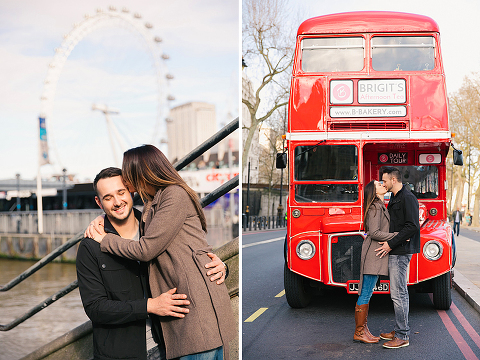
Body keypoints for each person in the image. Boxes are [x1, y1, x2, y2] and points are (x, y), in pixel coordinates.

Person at [87, 145, 236, 360]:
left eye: (127, 176)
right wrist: (102, 218)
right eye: (109, 197)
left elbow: (147, 249)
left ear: (142, 171)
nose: (127, 182)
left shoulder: (174, 195)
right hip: (185, 309)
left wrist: (105, 239)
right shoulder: (154, 201)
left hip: (195, 312)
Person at [376, 167, 420, 349]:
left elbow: (412, 226)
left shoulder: (408, 198)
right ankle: (399, 329)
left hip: (401, 251)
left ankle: (402, 336)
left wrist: (390, 244)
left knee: (399, 294)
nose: (382, 184)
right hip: (397, 250)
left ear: (394, 180)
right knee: (398, 293)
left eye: (384, 181)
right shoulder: (395, 197)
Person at [354, 180, 397, 344]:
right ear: (374, 191)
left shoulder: (380, 205)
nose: (383, 185)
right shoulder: (374, 206)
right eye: (379, 184)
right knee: (366, 292)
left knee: (368, 291)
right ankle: (359, 332)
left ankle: (363, 330)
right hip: (373, 254)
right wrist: (396, 236)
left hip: (376, 254)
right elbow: (374, 232)